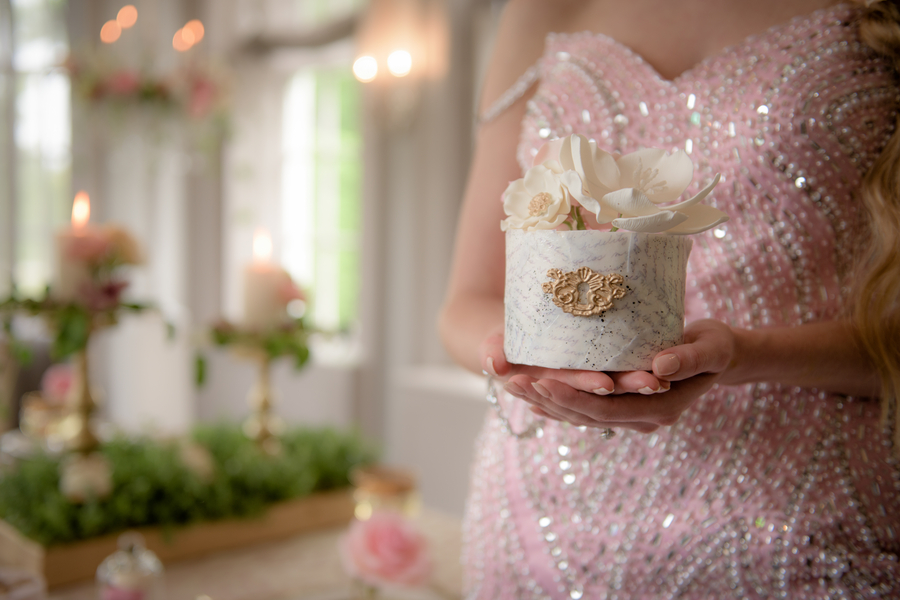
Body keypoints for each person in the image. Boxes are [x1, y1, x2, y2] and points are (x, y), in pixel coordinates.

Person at [438, 0, 900, 597]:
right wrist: (531, 356)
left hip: (798, 525)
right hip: (544, 513)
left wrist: (745, 353)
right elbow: (467, 300)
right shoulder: (539, 10)